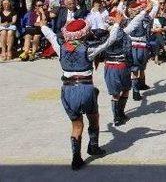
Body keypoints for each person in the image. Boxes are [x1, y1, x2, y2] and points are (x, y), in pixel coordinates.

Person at [39, 18, 120, 170]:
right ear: (84, 33)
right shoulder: (88, 49)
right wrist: (117, 24)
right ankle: (93, 147)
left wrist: (43, 24)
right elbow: (110, 40)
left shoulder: (61, 47)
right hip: (85, 88)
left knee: (76, 125)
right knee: (93, 118)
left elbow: (50, 35)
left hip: (68, 90)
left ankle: (76, 159)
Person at [125, 0, 159, 101]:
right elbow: (155, 8)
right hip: (143, 46)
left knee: (135, 69)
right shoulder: (146, 18)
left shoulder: (127, 20)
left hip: (132, 46)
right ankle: (141, 85)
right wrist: (154, 1)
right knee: (142, 67)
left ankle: (136, 91)